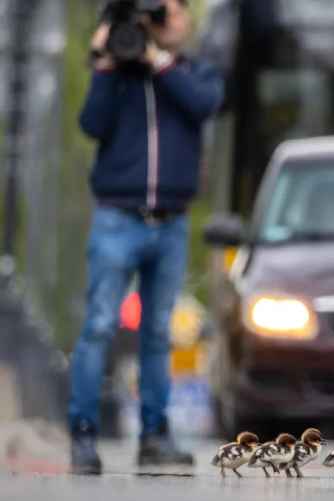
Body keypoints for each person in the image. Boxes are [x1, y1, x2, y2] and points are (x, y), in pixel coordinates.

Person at [70, 0, 223, 474]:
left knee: (159, 333)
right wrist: (103, 64)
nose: (161, 24)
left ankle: (155, 436)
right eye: (153, 17)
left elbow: (203, 105)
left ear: (183, 22)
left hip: (171, 221)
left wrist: (160, 62)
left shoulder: (196, 71)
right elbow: (91, 125)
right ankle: (83, 437)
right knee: (98, 325)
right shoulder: (118, 76)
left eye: (168, 14)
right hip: (118, 217)